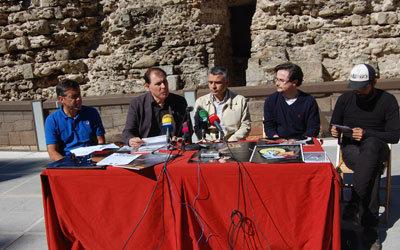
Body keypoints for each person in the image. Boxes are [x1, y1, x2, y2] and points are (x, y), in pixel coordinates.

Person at [331, 63, 400, 250]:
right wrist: (336, 130)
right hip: (351, 149)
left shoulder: (388, 100)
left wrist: (367, 133)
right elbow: (334, 124)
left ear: (374, 82)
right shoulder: (345, 99)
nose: (358, 92)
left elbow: (394, 136)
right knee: (373, 171)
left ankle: (353, 203)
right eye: (355, 88)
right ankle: (371, 232)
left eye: (363, 88)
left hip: (377, 147)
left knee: (371, 146)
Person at [122, 67, 192, 149]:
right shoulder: (137, 104)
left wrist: (182, 138)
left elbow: (187, 127)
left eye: (165, 82)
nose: (163, 86)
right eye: (158, 84)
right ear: (148, 86)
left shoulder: (179, 101)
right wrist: (131, 140)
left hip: (174, 149)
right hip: (146, 150)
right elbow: (127, 132)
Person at [45, 79, 105, 161]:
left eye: (79, 95)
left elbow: (100, 141)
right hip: (68, 160)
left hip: (92, 159)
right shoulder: (52, 120)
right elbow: (52, 152)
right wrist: (69, 165)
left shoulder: (91, 113)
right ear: (61, 99)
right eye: (73, 97)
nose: (78, 99)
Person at [263, 62, 320, 139]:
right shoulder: (271, 100)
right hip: (278, 142)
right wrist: (278, 140)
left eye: (282, 80)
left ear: (294, 82)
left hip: (302, 142)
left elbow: (313, 128)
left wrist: (301, 142)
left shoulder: (309, 101)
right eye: (277, 79)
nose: (277, 83)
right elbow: (269, 126)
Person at [194, 66, 251, 141]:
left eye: (217, 83)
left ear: (227, 83)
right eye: (210, 82)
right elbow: (198, 127)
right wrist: (210, 143)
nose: (213, 86)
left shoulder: (240, 101)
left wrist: (231, 142)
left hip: (233, 144)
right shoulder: (201, 102)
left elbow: (245, 126)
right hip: (208, 145)